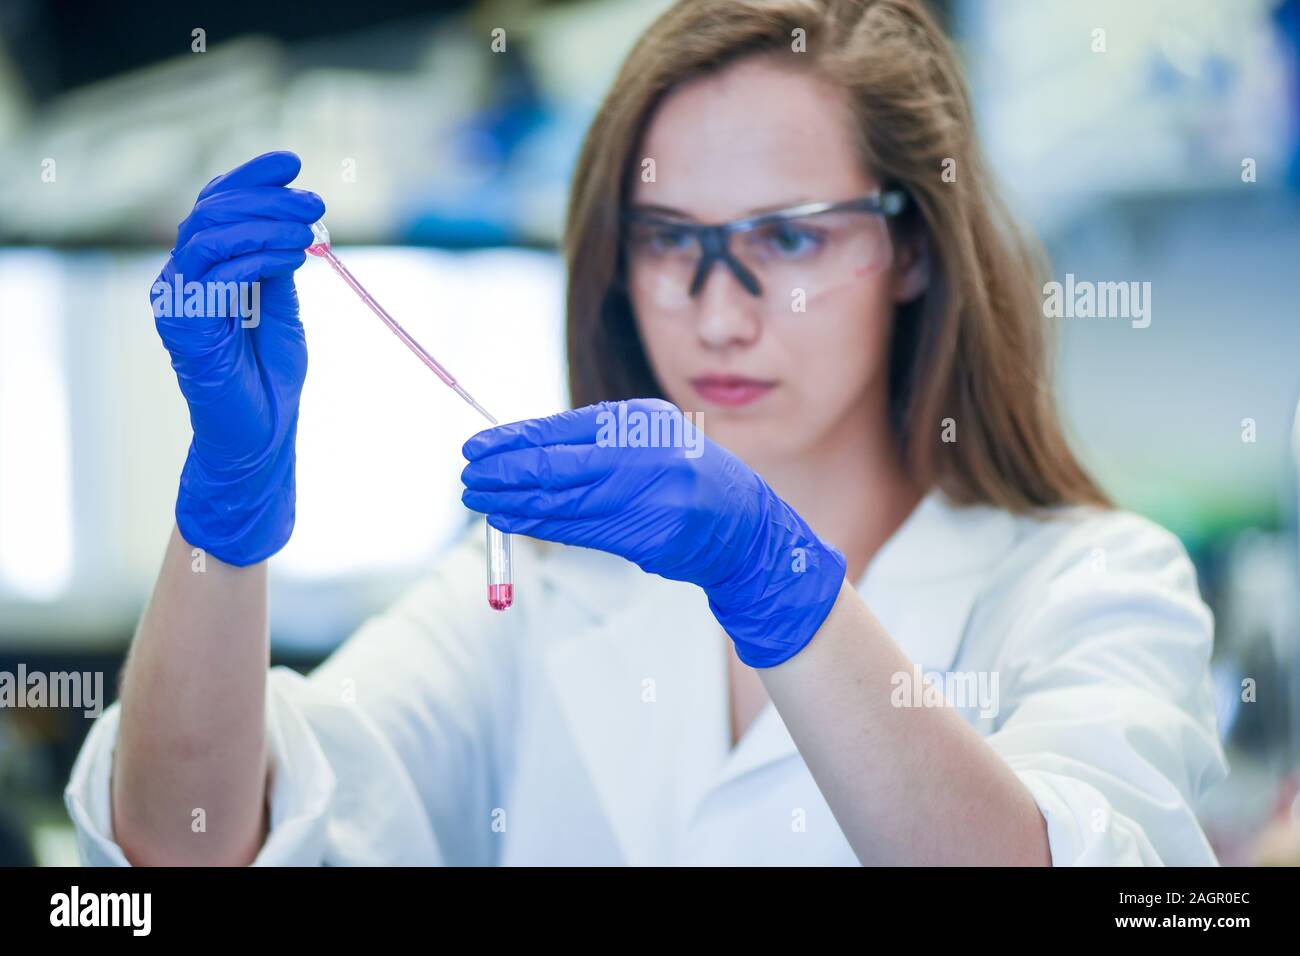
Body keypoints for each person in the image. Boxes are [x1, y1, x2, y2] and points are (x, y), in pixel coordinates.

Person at [66, 0, 1226, 866]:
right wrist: (225, 505)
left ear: (912, 245)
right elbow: (186, 843)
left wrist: (776, 583)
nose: (716, 312)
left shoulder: (1090, 586)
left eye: (788, 239)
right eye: (669, 238)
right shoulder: (536, 595)